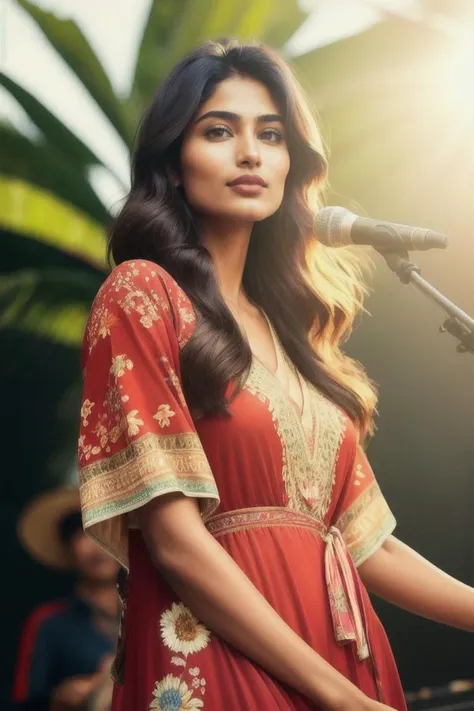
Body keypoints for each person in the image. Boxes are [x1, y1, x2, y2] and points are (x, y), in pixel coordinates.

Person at [77, 39, 474, 711]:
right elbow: (174, 542)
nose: (250, 153)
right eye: (218, 131)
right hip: (220, 657)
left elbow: (369, 547)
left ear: (293, 161)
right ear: (174, 163)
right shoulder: (144, 295)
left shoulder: (299, 342)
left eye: (271, 134)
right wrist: (341, 699)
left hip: (343, 659)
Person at [13, 487, 119, 711]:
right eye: (82, 535)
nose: (97, 545)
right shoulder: (48, 621)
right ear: (68, 549)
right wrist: (67, 698)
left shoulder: (150, 612)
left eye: (104, 530)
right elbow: (28, 701)